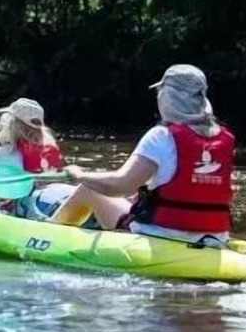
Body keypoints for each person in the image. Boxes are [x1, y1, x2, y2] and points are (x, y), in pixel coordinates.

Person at [51, 64, 233, 245]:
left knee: (88, 188)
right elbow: (193, 185)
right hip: (215, 238)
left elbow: (121, 186)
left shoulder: (161, 135)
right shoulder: (225, 139)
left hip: (162, 235)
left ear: (168, 97)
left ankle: (48, 236)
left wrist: (79, 175)